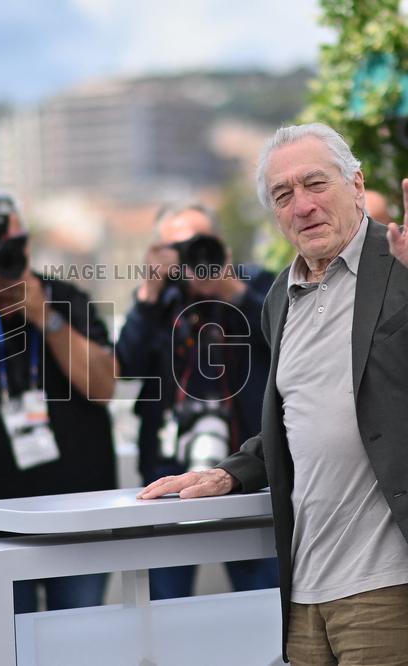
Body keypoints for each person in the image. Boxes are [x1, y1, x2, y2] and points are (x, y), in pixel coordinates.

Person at [139, 123, 408, 665]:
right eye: (283, 194)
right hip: (304, 588)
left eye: (315, 184)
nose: (302, 206)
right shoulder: (279, 296)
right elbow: (297, 419)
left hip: (394, 576)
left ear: (357, 184)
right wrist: (231, 473)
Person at [0, 189, 117, 612]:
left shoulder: (65, 298)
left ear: (29, 245)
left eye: (13, 246)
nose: (4, 259)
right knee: (9, 648)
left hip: (77, 518)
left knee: (77, 646)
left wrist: (45, 316)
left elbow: (104, 387)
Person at [116, 201, 279, 599]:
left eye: (201, 244)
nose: (194, 257)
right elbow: (126, 364)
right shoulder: (160, 302)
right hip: (168, 479)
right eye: (180, 248)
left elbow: (288, 340)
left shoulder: (257, 285)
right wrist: (149, 292)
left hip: (252, 476)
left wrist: (231, 290)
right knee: (165, 609)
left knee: (265, 606)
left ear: (223, 247)